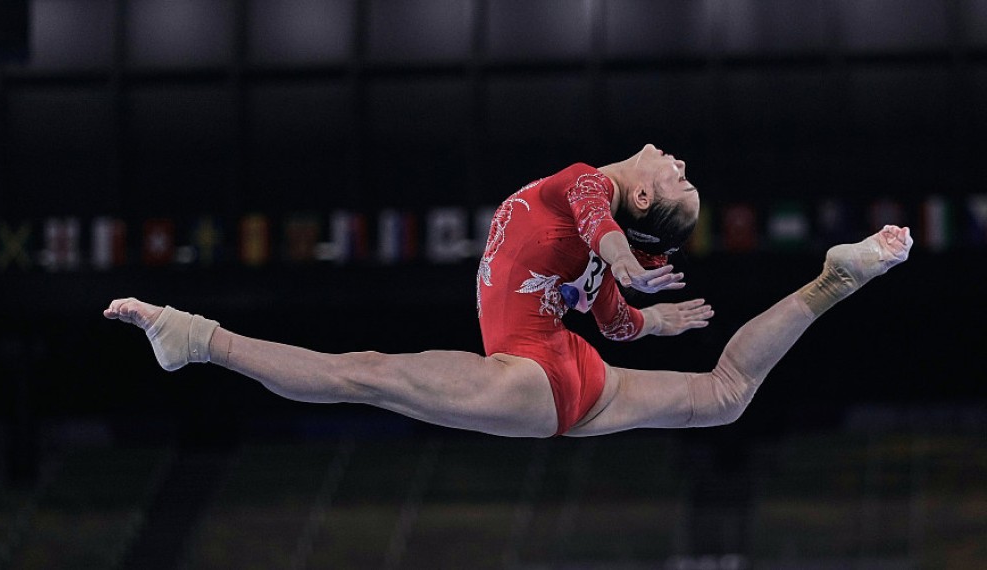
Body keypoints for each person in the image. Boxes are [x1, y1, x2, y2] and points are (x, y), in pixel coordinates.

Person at [104, 144, 912, 438]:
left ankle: (197, 337)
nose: (679, 164)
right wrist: (650, 320)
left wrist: (625, 266)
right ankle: (833, 281)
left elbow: (593, 215)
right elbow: (614, 328)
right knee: (725, 395)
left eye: (678, 181)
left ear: (638, 198)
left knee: (364, 374)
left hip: (529, 373)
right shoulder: (596, 259)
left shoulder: (591, 188)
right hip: (572, 375)